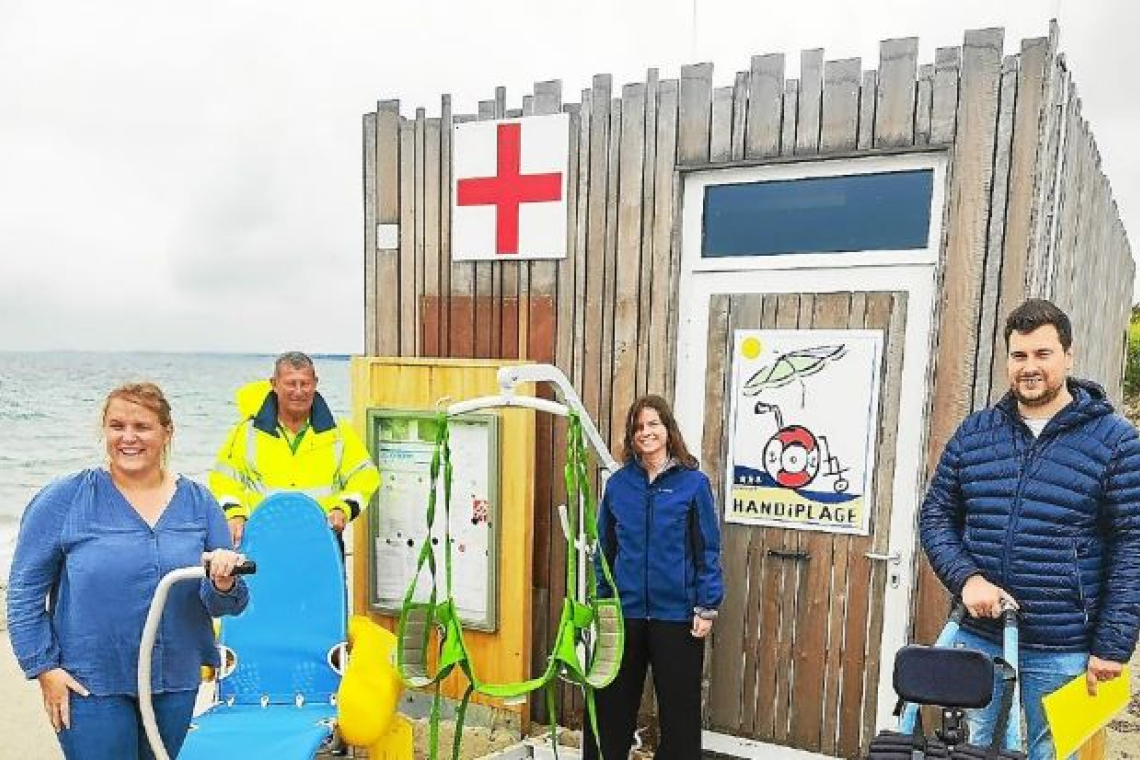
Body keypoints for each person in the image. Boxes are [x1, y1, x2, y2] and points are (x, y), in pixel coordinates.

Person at [920, 298, 1140, 760]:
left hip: (1066, 648)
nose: (1030, 367)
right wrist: (967, 578)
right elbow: (936, 515)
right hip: (978, 637)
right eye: (1019, 356)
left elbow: (1132, 545)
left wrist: (1113, 646)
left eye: (1043, 354)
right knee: (974, 749)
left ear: (1068, 356)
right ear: (1007, 360)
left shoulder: (1115, 441)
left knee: (1054, 754)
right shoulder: (976, 433)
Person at [6, 382, 249, 760]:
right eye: (117, 426)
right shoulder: (65, 499)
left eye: (142, 427)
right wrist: (44, 668)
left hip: (174, 680)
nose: (128, 438)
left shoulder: (199, 503)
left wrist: (223, 581)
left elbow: (227, 605)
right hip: (88, 682)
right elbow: (23, 593)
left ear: (167, 432)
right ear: (104, 430)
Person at [584, 394, 724, 760]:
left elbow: (707, 548)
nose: (646, 433)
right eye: (639, 427)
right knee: (609, 705)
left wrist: (706, 606)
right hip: (625, 612)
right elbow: (605, 548)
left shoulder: (693, 484)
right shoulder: (618, 485)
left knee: (679, 713)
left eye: (653, 425)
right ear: (631, 435)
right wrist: (603, 602)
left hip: (676, 616)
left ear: (668, 430)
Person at [209, 351, 380, 550]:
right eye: (291, 383)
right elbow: (223, 479)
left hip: (321, 543)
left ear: (315, 383)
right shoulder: (247, 432)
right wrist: (235, 514)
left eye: (305, 383)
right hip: (262, 542)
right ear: (274, 384)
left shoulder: (338, 434)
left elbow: (365, 476)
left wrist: (343, 509)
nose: (298, 391)